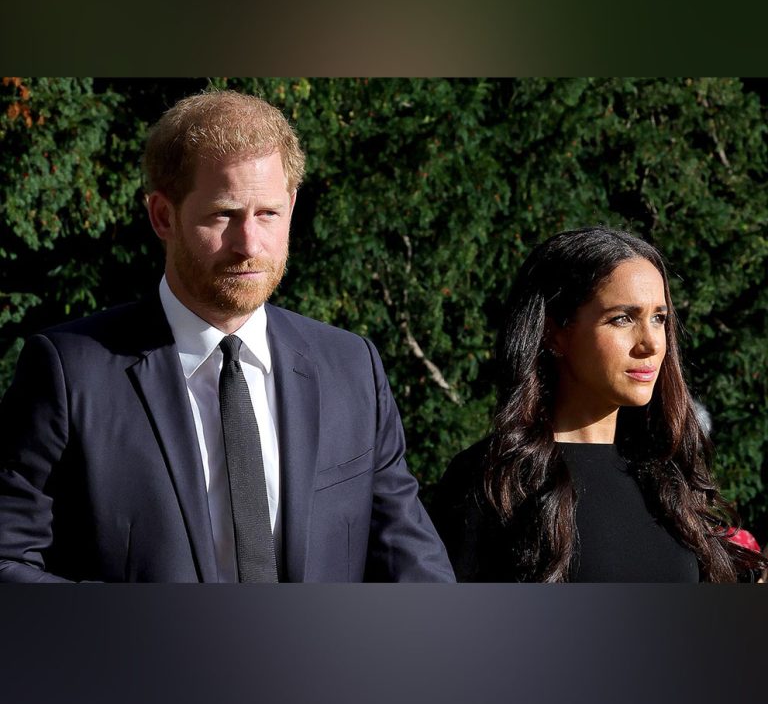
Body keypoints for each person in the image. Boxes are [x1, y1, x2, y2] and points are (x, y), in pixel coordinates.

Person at [0, 90, 455, 583]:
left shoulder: (351, 368)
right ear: (162, 215)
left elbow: (413, 564)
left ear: (292, 207)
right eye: (223, 214)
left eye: (268, 214)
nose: (249, 245)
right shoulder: (71, 373)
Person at [433, 228, 766, 582]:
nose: (652, 343)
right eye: (622, 319)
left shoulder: (668, 475)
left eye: (659, 318)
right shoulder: (493, 481)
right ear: (554, 332)